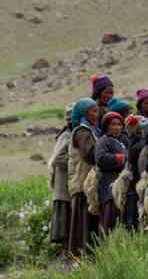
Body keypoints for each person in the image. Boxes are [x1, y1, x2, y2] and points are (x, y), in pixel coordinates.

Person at [66, 98, 101, 256]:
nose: (97, 114)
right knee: (84, 223)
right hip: (83, 183)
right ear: (84, 114)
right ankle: (83, 256)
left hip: (88, 184)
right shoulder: (82, 132)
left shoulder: (92, 130)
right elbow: (89, 155)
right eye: (93, 111)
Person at [96, 112, 131, 235]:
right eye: (113, 124)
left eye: (119, 124)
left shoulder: (121, 141)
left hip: (121, 185)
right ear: (106, 126)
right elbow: (100, 159)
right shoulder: (103, 141)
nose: (117, 127)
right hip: (109, 184)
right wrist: (119, 159)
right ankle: (106, 247)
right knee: (109, 216)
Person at [47, 106, 73, 250]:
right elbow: (58, 158)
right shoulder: (66, 136)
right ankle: (65, 249)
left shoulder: (70, 134)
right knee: (65, 216)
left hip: (67, 182)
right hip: (63, 183)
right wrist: (74, 162)